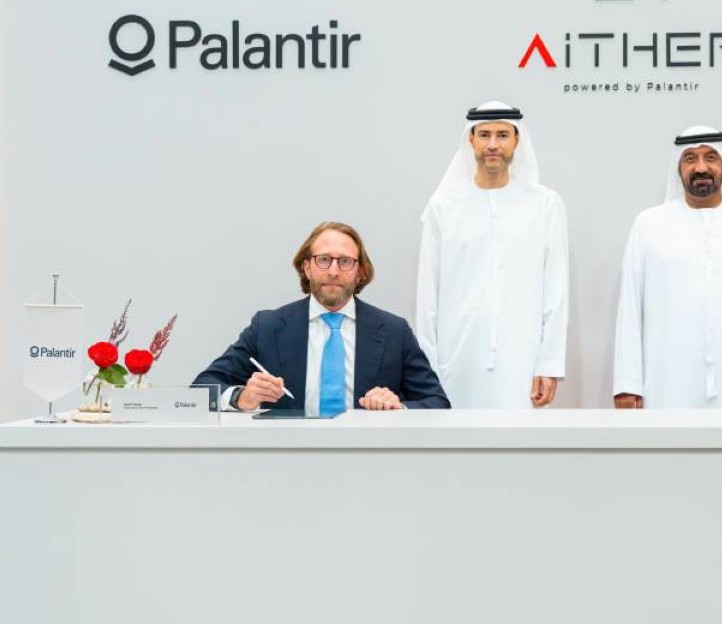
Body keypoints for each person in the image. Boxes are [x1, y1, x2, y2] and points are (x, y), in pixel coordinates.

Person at [612, 125, 722, 408]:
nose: (700, 168)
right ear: (678, 167)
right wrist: (627, 384)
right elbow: (631, 308)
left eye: (711, 157)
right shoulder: (648, 225)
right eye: (690, 158)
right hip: (667, 384)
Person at [194, 221, 449, 412]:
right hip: (287, 457)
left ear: (360, 272)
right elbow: (202, 387)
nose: (334, 271)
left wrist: (398, 408)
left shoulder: (394, 331)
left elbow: (437, 402)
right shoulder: (267, 327)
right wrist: (240, 397)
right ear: (307, 267)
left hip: (366, 457)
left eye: (345, 262)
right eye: (324, 260)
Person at [415, 101, 568, 408]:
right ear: (471, 139)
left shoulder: (545, 204)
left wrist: (549, 364)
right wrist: (427, 367)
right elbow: (427, 294)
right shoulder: (443, 207)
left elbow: (556, 290)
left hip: (523, 357)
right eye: (484, 135)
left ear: (517, 140)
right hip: (457, 357)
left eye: (502, 135)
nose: (493, 144)